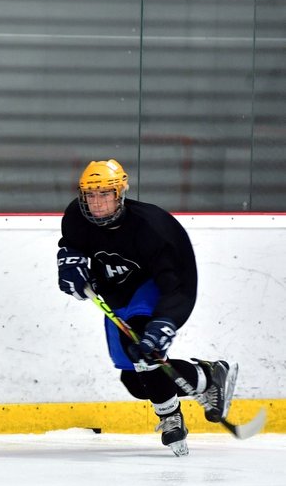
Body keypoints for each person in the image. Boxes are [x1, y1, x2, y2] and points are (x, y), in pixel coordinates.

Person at [57, 158, 237, 456]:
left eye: (105, 194)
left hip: (153, 289)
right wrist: (69, 262)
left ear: (120, 194)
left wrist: (165, 320)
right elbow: (72, 245)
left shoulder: (153, 227)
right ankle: (207, 375)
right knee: (135, 381)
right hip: (114, 294)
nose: (97, 203)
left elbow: (179, 285)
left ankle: (170, 417)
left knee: (143, 343)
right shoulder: (76, 217)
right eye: (90, 194)